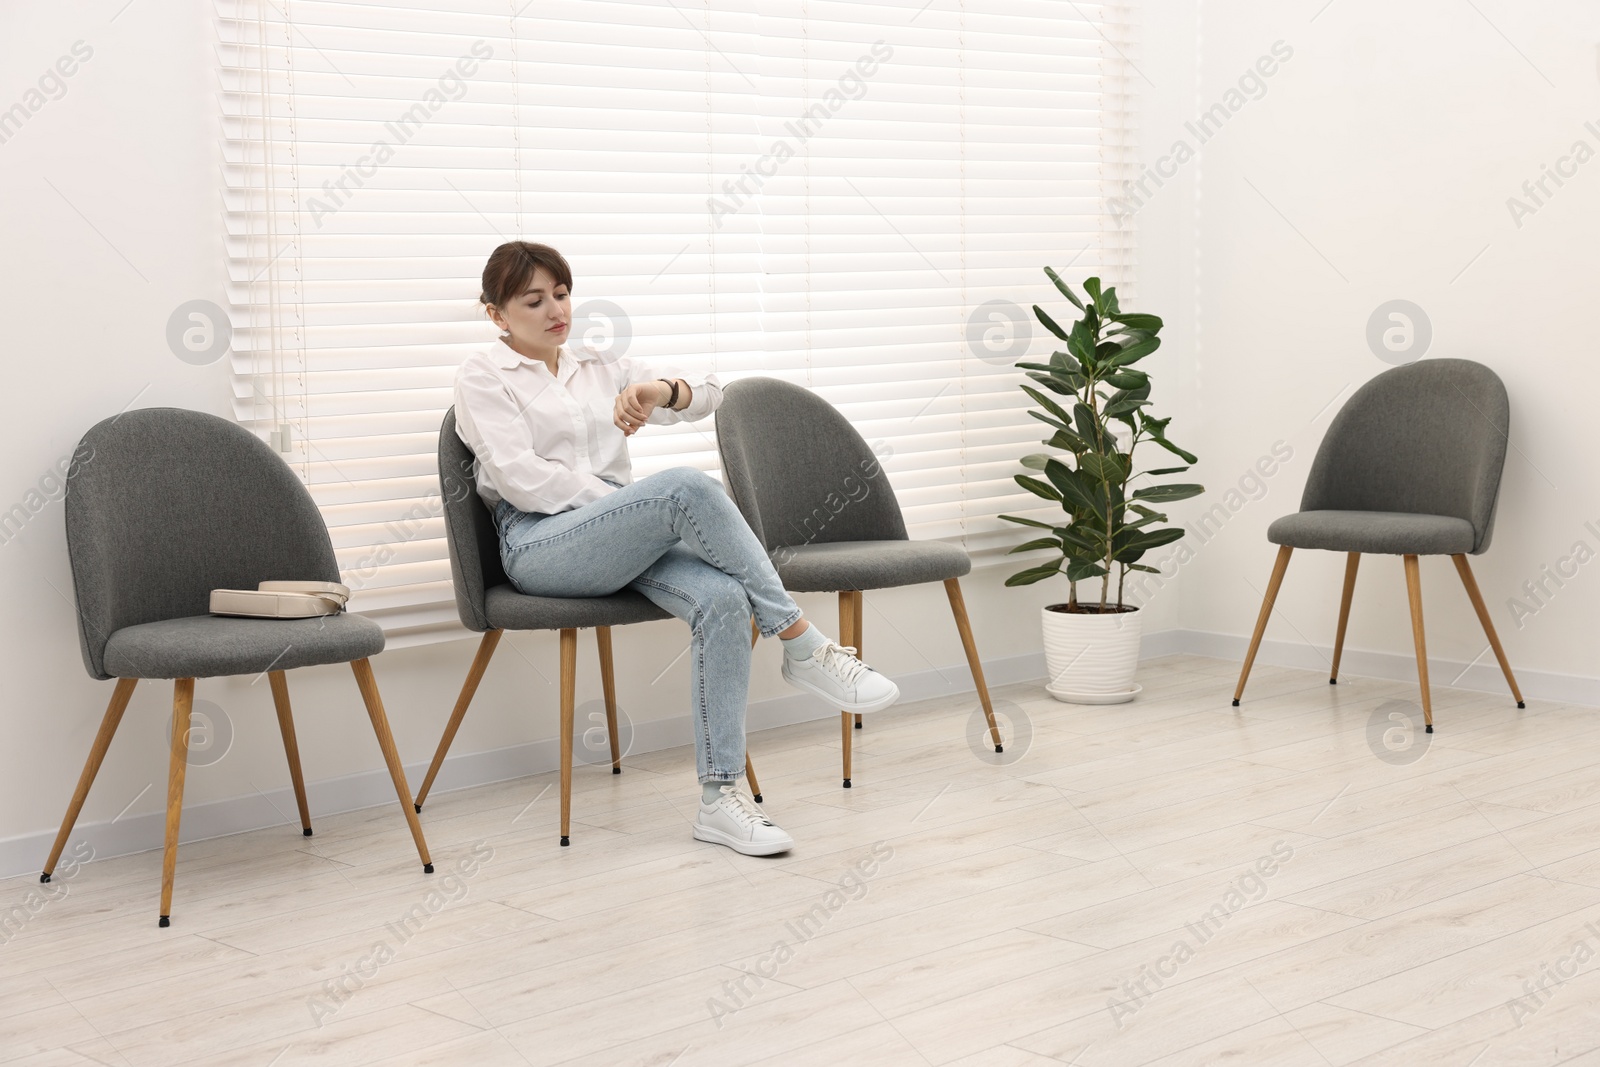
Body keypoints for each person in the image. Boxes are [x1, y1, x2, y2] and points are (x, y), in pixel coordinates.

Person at [452, 241, 900, 856]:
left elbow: (717, 392)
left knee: (720, 599)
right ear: (497, 315)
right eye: (534, 300)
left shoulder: (598, 364)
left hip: (616, 533)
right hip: (537, 542)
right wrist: (624, 507)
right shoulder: (483, 375)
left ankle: (720, 801)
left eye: (561, 293)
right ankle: (801, 643)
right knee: (683, 488)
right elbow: (518, 479)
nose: (556, 309)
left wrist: (661, 391)